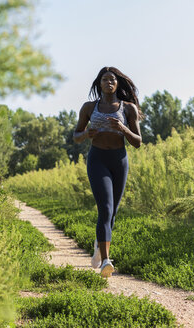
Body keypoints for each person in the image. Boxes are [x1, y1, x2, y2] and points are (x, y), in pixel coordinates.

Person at [73, 66, 142, 277]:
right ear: (99, 84)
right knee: (105, 208)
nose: (109, 82)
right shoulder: (88, 107)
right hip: (98, 159)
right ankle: (105, 261)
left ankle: (99, 244)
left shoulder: (128, 108)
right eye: (105, 79)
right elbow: (76, 136)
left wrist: (123, 129)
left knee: (112, 213)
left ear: (118, 83)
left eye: (112, 79)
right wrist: (86, 133)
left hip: (119, 161)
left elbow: (137, 142)